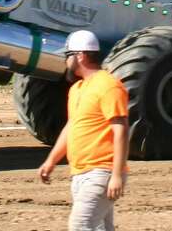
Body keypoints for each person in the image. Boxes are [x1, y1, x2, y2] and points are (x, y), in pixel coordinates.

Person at [39, 30, 129, 231]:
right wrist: (51, 161)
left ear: (80, 55)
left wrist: (116, 174)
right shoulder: (77, 89)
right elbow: (72, 126)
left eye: (67, 55)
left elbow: (121, 130)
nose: (65, 61)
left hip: (102, 172)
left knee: (80, 225)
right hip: (80, 173)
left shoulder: (108, 86)